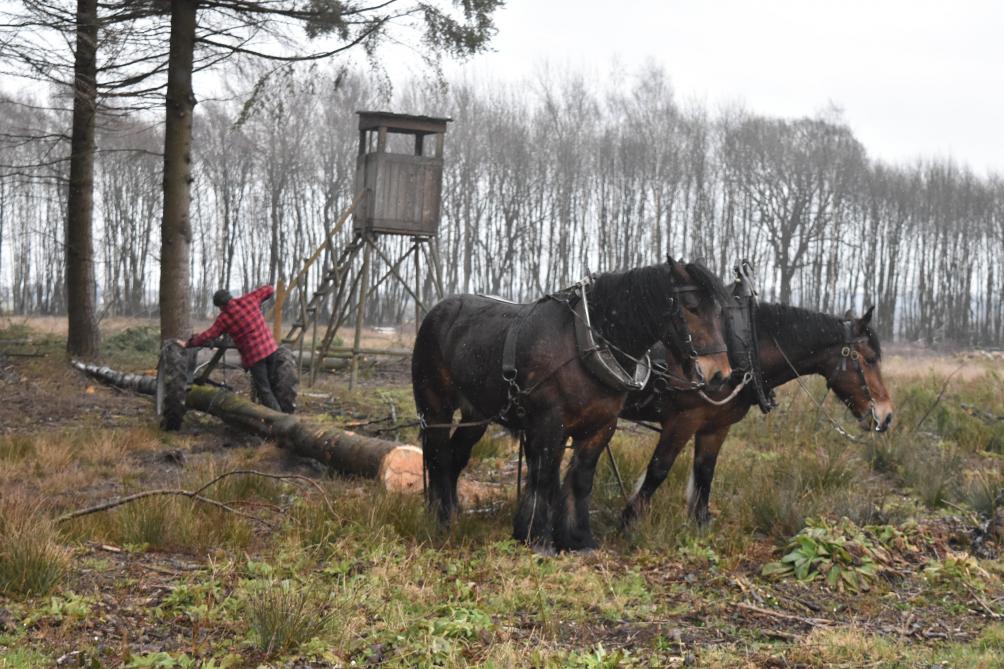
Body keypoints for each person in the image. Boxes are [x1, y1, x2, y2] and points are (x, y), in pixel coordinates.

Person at [184, 285, 281, 411]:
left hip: (256, 357)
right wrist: (261, 301)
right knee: (272, 385)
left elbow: (208, 335)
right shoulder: (250, 300)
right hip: (271, 349)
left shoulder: (224, 319)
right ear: (231, 297)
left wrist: (189, 343)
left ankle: (279, 421)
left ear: (220, 306)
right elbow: (269, 289)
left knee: (265, 390)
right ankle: (274, 416)